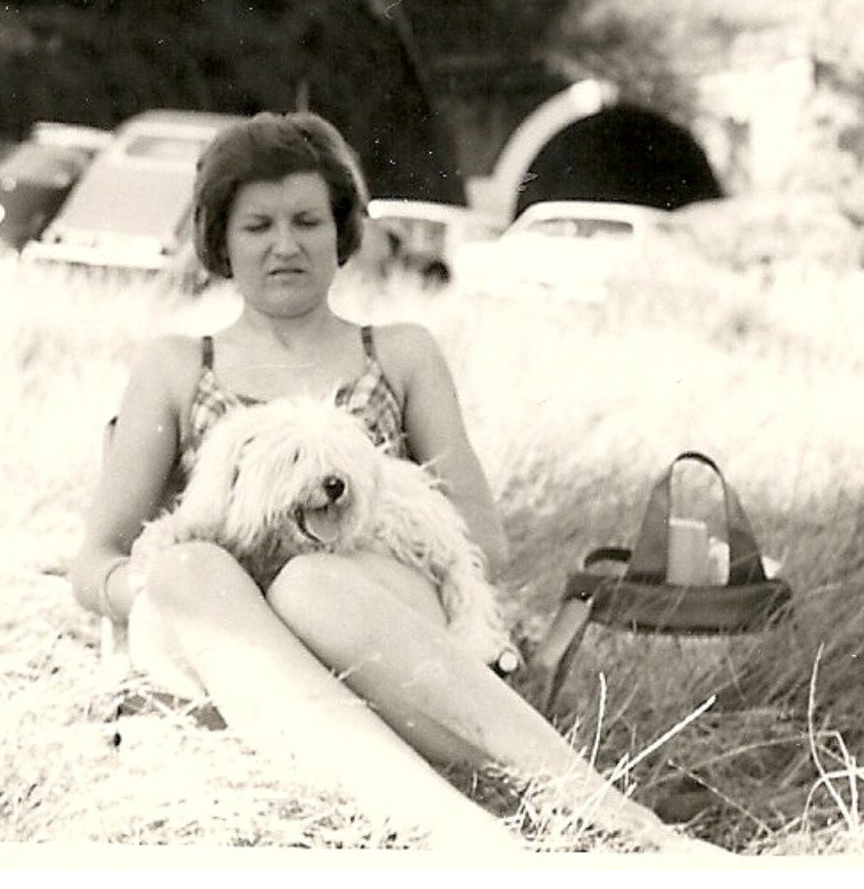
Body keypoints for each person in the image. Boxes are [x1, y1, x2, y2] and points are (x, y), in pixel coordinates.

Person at [69, 110, 715, 854]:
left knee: (310, 581)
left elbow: (482, 535)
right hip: (223, 635)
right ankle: (469, 838)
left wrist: (356, 537)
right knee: (186, 566)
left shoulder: (399, 354)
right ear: (220, 238)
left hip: (365, 613)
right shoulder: (179, 364)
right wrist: (163, 586)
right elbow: (94, 560)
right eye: (258, 226)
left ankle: (612, 821)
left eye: (308, 220)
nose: (285, 244)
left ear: (342, 231)